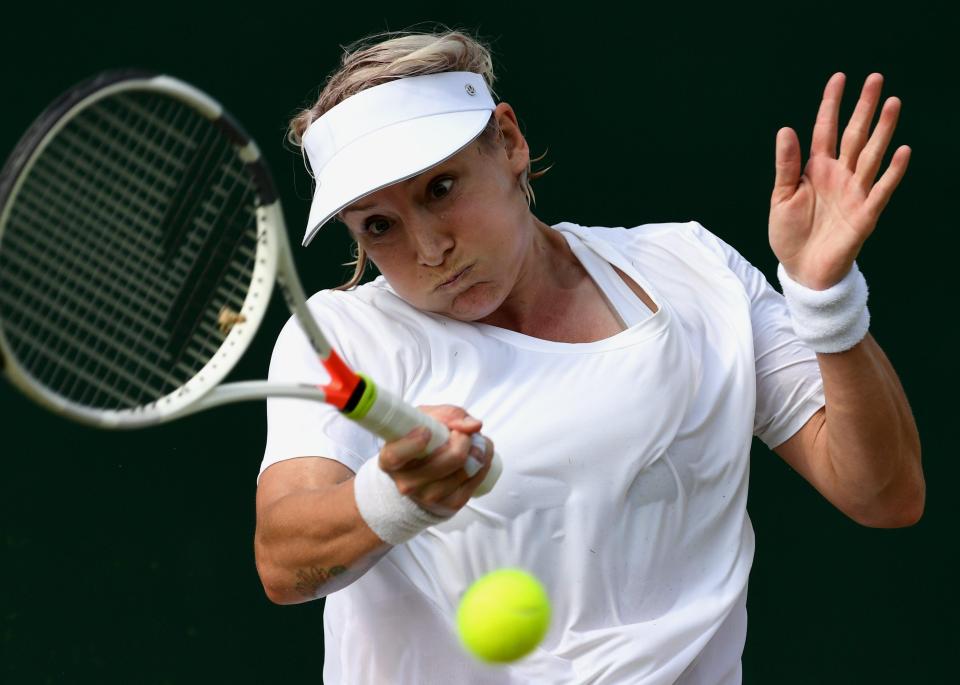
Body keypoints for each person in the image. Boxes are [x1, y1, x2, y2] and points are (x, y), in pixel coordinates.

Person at [254, 29, 924, 685]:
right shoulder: (342, 338)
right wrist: (392, 496)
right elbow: (283, 564)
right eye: (379, 225)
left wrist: (824, 301)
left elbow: (884, 493)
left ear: (508, 141)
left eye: (441, 188)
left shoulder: (693, 269)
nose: (429, 249)